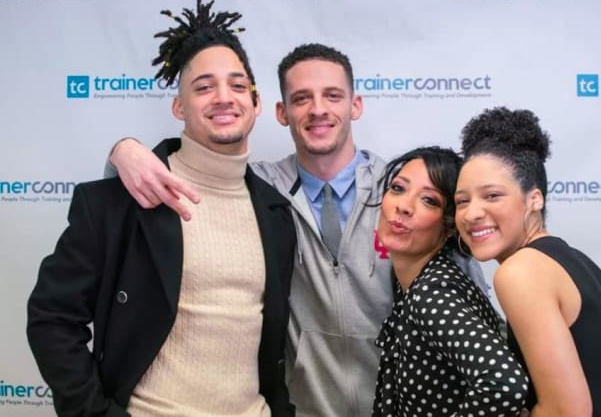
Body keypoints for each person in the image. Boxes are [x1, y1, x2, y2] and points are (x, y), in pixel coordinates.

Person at [106, 44, 489, 416]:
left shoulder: (403, 192)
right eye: (302, 98)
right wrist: (121, 150)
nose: (318, 109)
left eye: (333, 96)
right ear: (281, 112)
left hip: (399, 407)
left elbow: (469, 300)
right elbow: (173, 174)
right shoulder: (257, 191)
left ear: (355, 105)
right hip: (304, 407)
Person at [26, 0, 296, 416]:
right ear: (178, 107)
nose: (224, 98)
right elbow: (52, 317)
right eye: (203, 87)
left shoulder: (276, 212)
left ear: (256, 103)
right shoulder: (117, 202)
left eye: (238, 85)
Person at [454, 106, 601, 416]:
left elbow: (567, 412)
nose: (472, 213)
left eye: (492, 195)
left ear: (534, 199)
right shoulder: (572, 260)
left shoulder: (519, 271)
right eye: (462, 201)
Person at [372, 146, 528, 416]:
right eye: (398, 188)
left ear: (449, 226)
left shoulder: (432, 292)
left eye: (428, 200)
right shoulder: (411, 281)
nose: (404, 206)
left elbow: (505, 383)